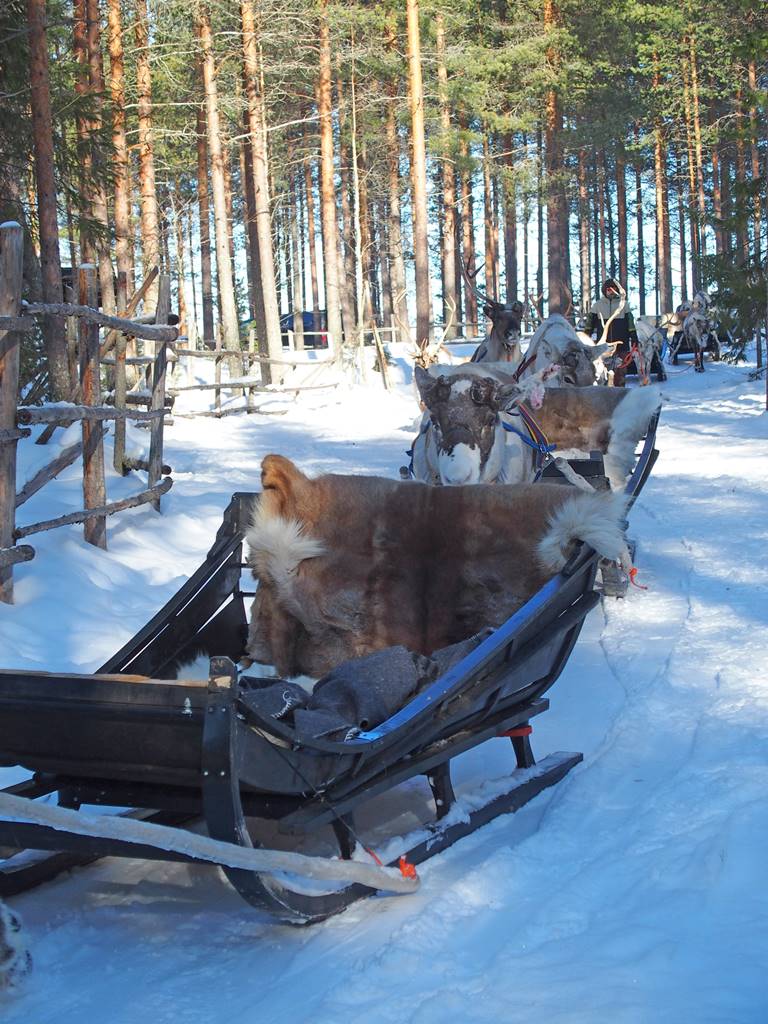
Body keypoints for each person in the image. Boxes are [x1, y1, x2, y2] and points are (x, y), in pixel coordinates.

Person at [584, 278, 665, 385]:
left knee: (620, 372)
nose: (610, 291)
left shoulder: (624, 305)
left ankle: (620, 392)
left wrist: (634, 337)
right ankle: (606, 393)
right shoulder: (598, 305)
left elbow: (630, 324)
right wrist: (585, 337)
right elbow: (590, 324)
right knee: (603, 372)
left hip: (622, 345)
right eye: (608, 289)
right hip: (604, 346)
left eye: (613, 289)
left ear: (617, 290)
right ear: (604, 290)